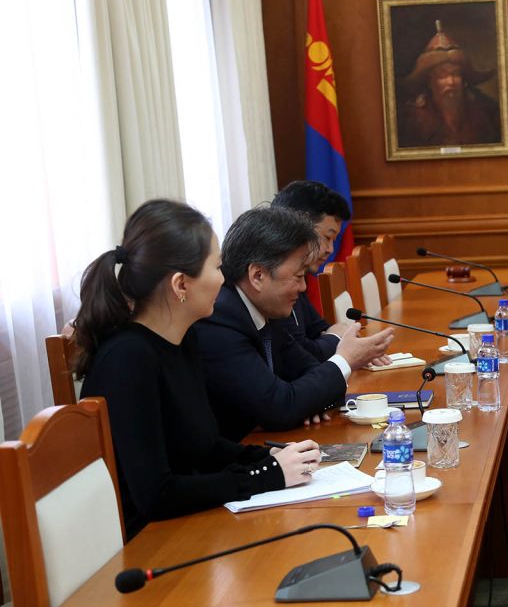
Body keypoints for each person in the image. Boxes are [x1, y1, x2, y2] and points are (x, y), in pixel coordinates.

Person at [76, 200, 321, 540]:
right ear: (181, 284)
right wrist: (266, 475)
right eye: (217, 267)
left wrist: (268, 456)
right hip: (151, 543)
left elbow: (203, 446)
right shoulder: (128, 359)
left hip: (190, 524)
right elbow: (156, 495)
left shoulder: (184, 338)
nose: (224, 279)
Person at [195, 206, 394, 441]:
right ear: (258, 275)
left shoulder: (266, 309)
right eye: (298, 277)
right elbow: (278, 407)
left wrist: (310, 401)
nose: (303, 287)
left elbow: (309, 369)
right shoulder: (219, 320)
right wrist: (346, 359)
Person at [271, 180, 351, 361]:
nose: (331, 250)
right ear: (299, 228)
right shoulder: (275, 282)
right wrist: (338, 338)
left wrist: (344, 340)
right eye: (327, 238)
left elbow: (318, 328)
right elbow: (305, 353)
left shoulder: (301, 276)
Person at [397, 20, 501, 148]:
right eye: (442, 76)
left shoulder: (486, 110)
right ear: (429, 81)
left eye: (456, 74)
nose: (451, 82)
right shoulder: (411, 117)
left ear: (464, 79)